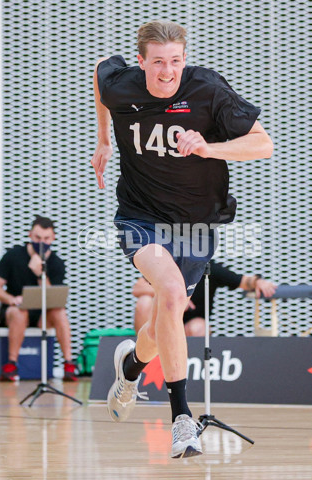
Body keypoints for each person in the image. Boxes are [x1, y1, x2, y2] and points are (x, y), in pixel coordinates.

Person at [91, 20, 273, 458]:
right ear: (141, 62)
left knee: (160, 323)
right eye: (157, 62)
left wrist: (211, 148)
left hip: (196, 223)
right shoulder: (122, 85)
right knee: (171, 294)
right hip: (141, 216)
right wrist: (103, 141)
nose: (167, 71)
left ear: (184, 59)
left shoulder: (208, 90)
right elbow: (100, 71)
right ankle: (181, 419)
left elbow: (262, 144)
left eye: (176, 61)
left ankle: (132, 364)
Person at [0, 215, 78, 382]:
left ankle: (68, 363)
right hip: (16, 311)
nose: (41, 242)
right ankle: (11, 364)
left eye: (46, 238)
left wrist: (40, 274)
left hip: (42, 314)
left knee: (60, 311)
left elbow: (52, 298)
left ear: (53, 238)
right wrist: (10, 299)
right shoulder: (13, 256)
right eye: (37, 238)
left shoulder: (57, 262)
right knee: (18, 312)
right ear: (30, 235)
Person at [133, 260, 277, 336]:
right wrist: (172, 295)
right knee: (144, 302)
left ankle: (191, 365)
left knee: (199, 328)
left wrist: (258, 282)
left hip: (190, 323)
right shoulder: (168, 266)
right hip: (162, 323)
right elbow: (138, 288)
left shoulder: (209, 269)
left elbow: (243, 281)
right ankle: (143, 356)